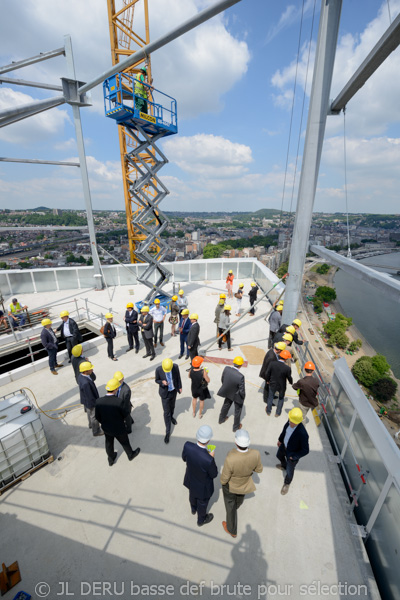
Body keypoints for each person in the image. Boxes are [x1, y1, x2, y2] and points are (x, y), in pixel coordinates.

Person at [220, 429, 263, 538]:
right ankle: (237, 505)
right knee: (239, 497)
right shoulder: (256, 454)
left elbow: (225, 477)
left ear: (236, 443)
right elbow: (259, 470)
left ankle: (231, 529)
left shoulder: (231, 457)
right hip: (245, 483)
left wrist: (222, 482)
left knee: (230, 506)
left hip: (231, 485)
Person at [95, 378, 140, 466]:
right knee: (125, 442)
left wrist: (104, 423)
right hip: (119, 428)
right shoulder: (119, 402)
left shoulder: (98, 401)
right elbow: (125, 414)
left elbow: (97, 417)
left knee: (109, 443)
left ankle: (111, 459)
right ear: (115, 389)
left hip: (106, 428)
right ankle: (130, 455)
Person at [182, 425, 218, 527]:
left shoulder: (187, 446)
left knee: (192, 495)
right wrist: (211, 458)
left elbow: (184, 458)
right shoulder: (209, 460)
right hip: (203, 487)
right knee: (202, 504)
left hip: (190, 479)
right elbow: (214, 474)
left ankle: (193, 509)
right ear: (208, 441)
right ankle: (201, 520)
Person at [276, 407, 309, 495]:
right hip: (284, 446)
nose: (289, 422)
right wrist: (280, 440)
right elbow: (284, 431)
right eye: (290, 420)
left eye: (292, 421)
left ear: (297, 422)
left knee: (290, 471)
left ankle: (287, 484)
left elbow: (305, 450)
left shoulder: (303, 434)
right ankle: (284, 465)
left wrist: (294, 457)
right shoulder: (290, 421)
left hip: (292, 454)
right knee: (278, 455)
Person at [155, 358, 182, 444]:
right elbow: (156, 380)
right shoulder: (158, 369)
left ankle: (172, 417)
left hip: (173, 391)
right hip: (165, 394)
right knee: (166, 412)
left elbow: (178, 377)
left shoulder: (175, 367)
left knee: (172, 406)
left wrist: (180, 387)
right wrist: (162, 382)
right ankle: (167, 432)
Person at [218, 356, 246, 432]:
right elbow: (242, 390)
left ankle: (221, 419)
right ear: (241, 365)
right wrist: (243, 397)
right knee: (237, 411)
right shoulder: (240, 376)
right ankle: (235, 427)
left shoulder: (226, 369)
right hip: (236, 395)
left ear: (234, 363)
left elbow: (223, 379)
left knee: (226, 405)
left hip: (228, 392)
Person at [265, 349, 293, 417]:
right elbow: (289, 377)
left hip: (272, 384)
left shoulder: (272, 364)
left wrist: (268, 380)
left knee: (270, 397)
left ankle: (268, 411)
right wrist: (291, 382)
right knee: (281, 398)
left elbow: (267, 373)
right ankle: (278, 413)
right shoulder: (287, 368)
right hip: (282, 386)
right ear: (286, 359)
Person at [78, 361, 103, 437]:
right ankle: (96, 431)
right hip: (90, 401)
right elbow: (90, 395)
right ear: (85, 371)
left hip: (85, 400)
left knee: (89, 413)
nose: (92, 370)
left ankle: (91, 425)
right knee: (94, 416)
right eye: (90, 369)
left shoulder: (81, 376)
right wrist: (95, 404)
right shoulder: (86, 383)